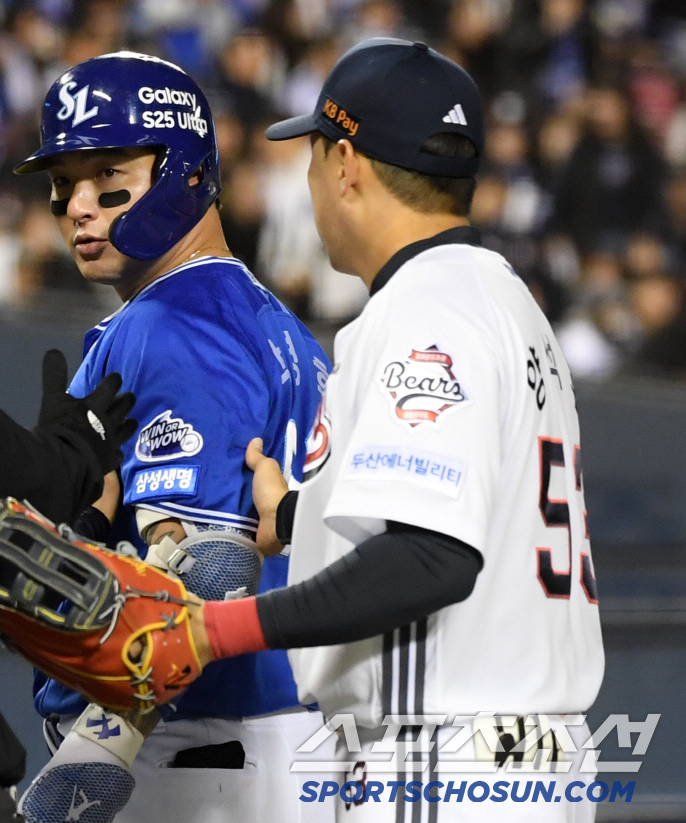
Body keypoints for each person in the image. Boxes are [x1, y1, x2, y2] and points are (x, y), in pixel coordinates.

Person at [190, 38, 604, 822]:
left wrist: (218, 628)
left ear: (346, 164)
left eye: (311, 153)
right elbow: (453, 516)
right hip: (520, 762)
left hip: (442, 761)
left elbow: (431, 555)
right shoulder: (504, 301)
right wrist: (290, 517)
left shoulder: (427, 311)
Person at [12, 52, 333, 823]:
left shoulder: (171, 321)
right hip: (274, 739)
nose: (79, 207)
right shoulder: (276, 324)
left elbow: (207, 574)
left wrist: (94, 753)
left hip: (195, 754)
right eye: (63, 187)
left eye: (106, 176)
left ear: (183, 167)